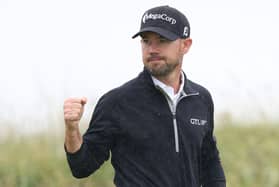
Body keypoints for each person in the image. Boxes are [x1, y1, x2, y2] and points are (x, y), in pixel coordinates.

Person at [63, 5, 226, 187]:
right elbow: (81, 167)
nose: (152, 49)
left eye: (162, 40)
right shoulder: (117, 102)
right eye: (146, 41)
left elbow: (210, 163)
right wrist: (72, 129)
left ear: (185, 45)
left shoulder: (200, 98)